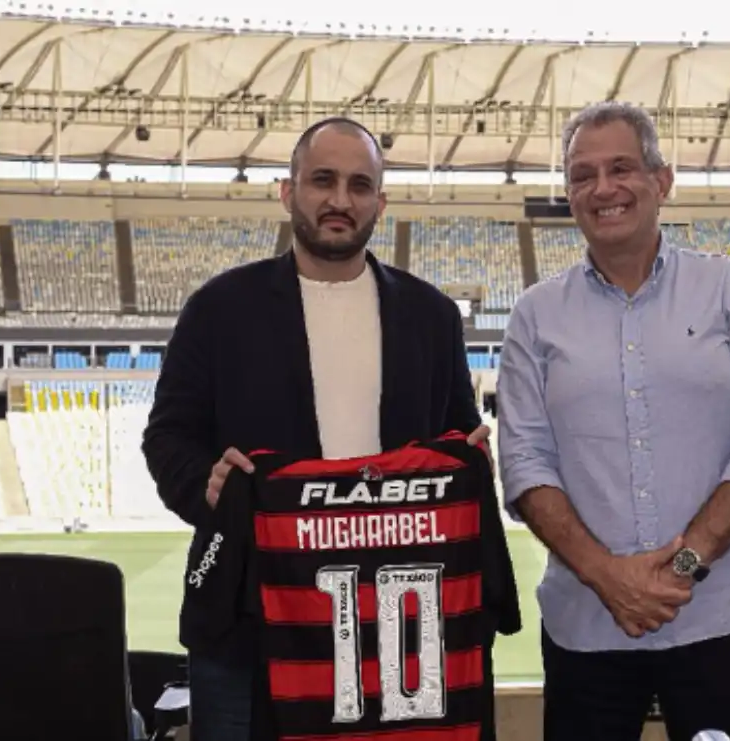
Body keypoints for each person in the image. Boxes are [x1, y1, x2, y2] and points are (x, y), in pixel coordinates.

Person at [142, 116, 491, 741]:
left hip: (397, 615)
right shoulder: (219, 309)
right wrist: (210, 488)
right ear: (288, 191)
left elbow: (459, 435)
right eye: (322, 180)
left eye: (360, 186)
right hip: (249, 615)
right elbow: (167, 437)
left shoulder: (430, 316)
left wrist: (470, 459)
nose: (340, 200)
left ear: (379, 204)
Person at [497, 101, 730, 741]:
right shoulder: (534, 314)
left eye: (621, 168)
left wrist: (681, 567)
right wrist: (610, 578)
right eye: (582, 175)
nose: (602, 189)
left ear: (661, 182)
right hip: (587, 627)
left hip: (719, 621)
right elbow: (525, 463)